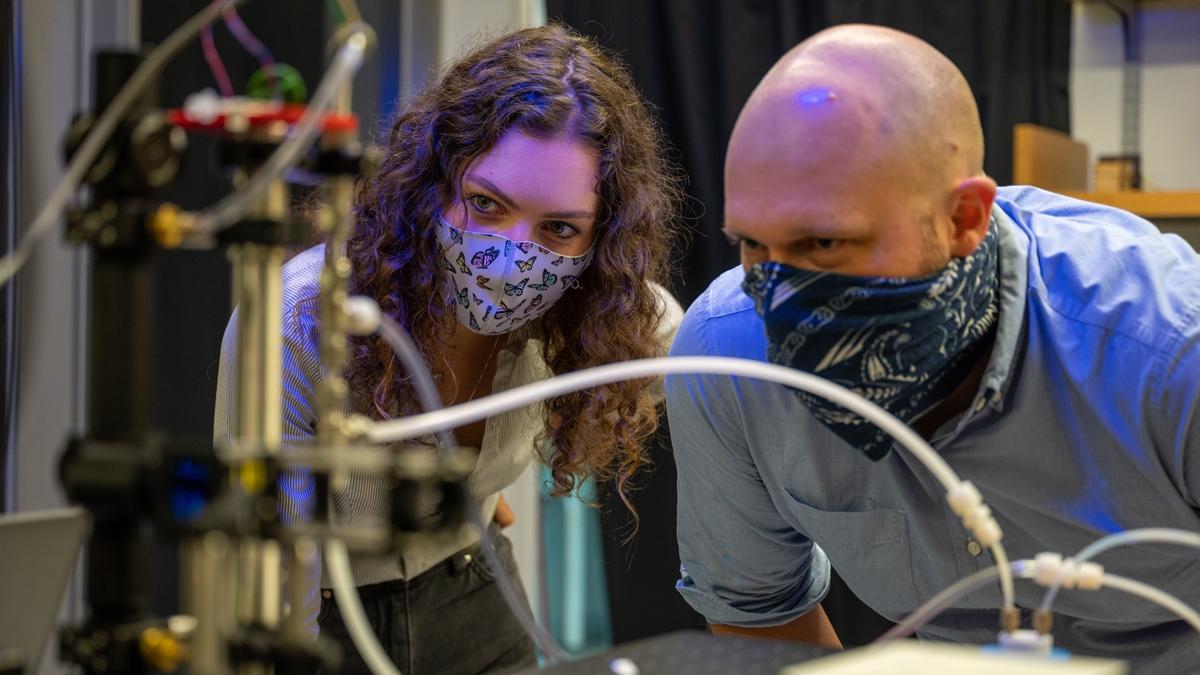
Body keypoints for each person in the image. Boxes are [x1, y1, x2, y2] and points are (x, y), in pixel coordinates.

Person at [666, 24, 1200, 674]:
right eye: (751, 244)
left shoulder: (1169, 350)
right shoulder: (728, 355)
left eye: (825, 244)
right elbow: (757, 615)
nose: (779, 298)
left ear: (964, 219)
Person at [215, 25, 684, 675]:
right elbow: (272, 572)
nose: (513, 253)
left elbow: (703, 359)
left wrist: (475, 487)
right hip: (332, 618)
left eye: (559, 229)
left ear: (601, 242)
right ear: (434, 180)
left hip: (473, 588)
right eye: (487, 204)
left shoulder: (602, 314)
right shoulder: (300, 321)